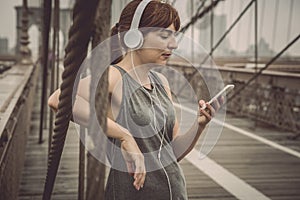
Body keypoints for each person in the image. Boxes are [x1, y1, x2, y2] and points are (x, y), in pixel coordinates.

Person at [48, 0, 222, 199]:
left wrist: (199, 125)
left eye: (174, 36)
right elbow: (57, 99)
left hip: (175, 192)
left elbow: (171, 153)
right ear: (134, 37)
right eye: (165, 36)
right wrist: (124, 136)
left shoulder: (161, 82)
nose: (173, 44)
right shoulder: (113, 77)